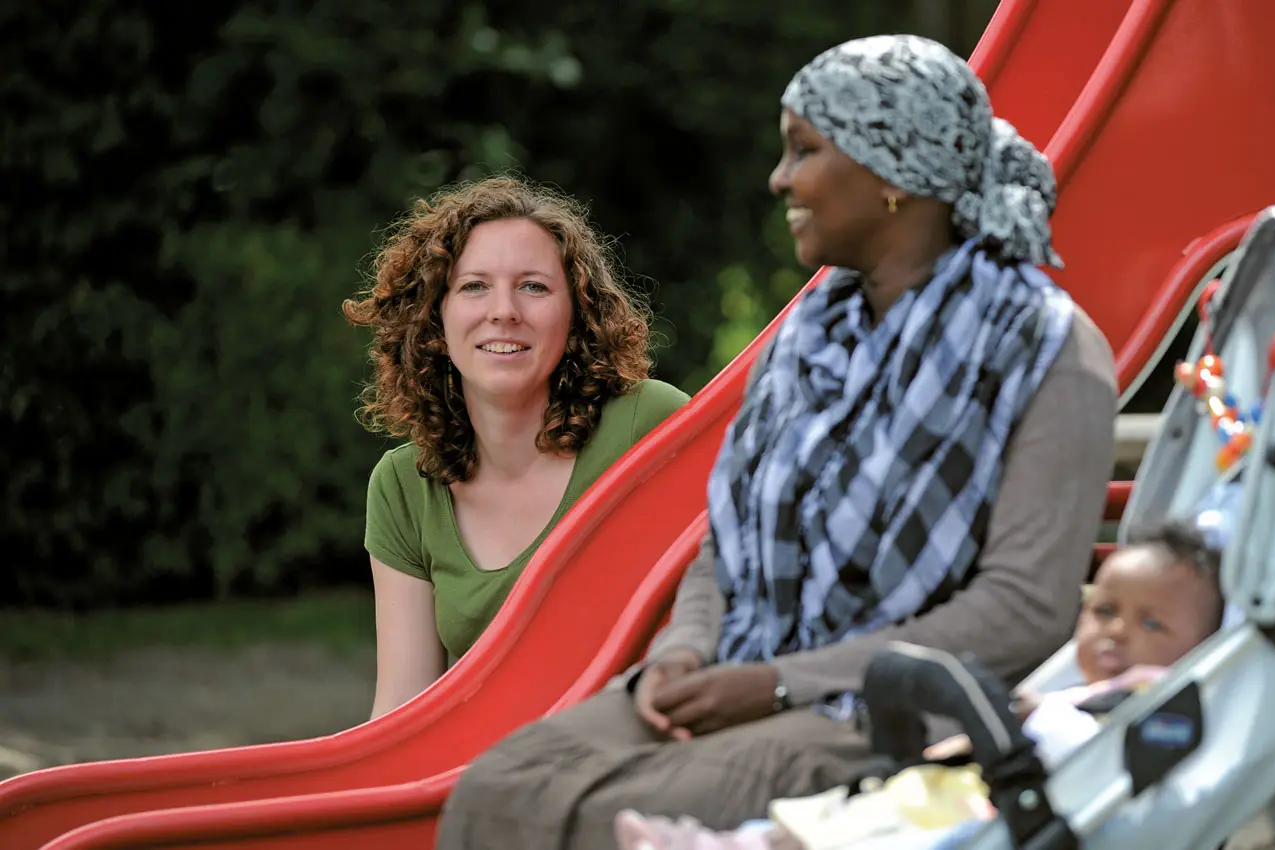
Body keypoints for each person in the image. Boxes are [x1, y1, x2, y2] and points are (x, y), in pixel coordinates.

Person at [434, 35, 1119, 850]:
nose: (780, 178)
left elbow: (1026, 609)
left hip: (893, 716)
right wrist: (684, 654)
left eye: (806, 150)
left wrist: (782, 683)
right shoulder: (808, 338)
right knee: (495, 791)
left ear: (892, 173)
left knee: (599, 826)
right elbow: (728, 542)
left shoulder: (1047, 349)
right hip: (738, 669)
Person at [609, 520, 1227, 850]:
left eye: (1151, 622)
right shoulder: (1084, 686)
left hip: (1009, 813)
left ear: (1200, 645)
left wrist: (1031, 717)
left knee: (865, 830)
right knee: (843, 815)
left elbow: (1097, 753)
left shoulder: (1163, 701)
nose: (1117, 633)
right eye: (1105, 610)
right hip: (981, 795)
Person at [343, 175, 690, 719]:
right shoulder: (403, 486)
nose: (503, 310)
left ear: (575, 314)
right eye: (474, 286)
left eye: (533, 286)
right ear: (434, 318)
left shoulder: (649, 427)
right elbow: (401, 709)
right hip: (493, 776)